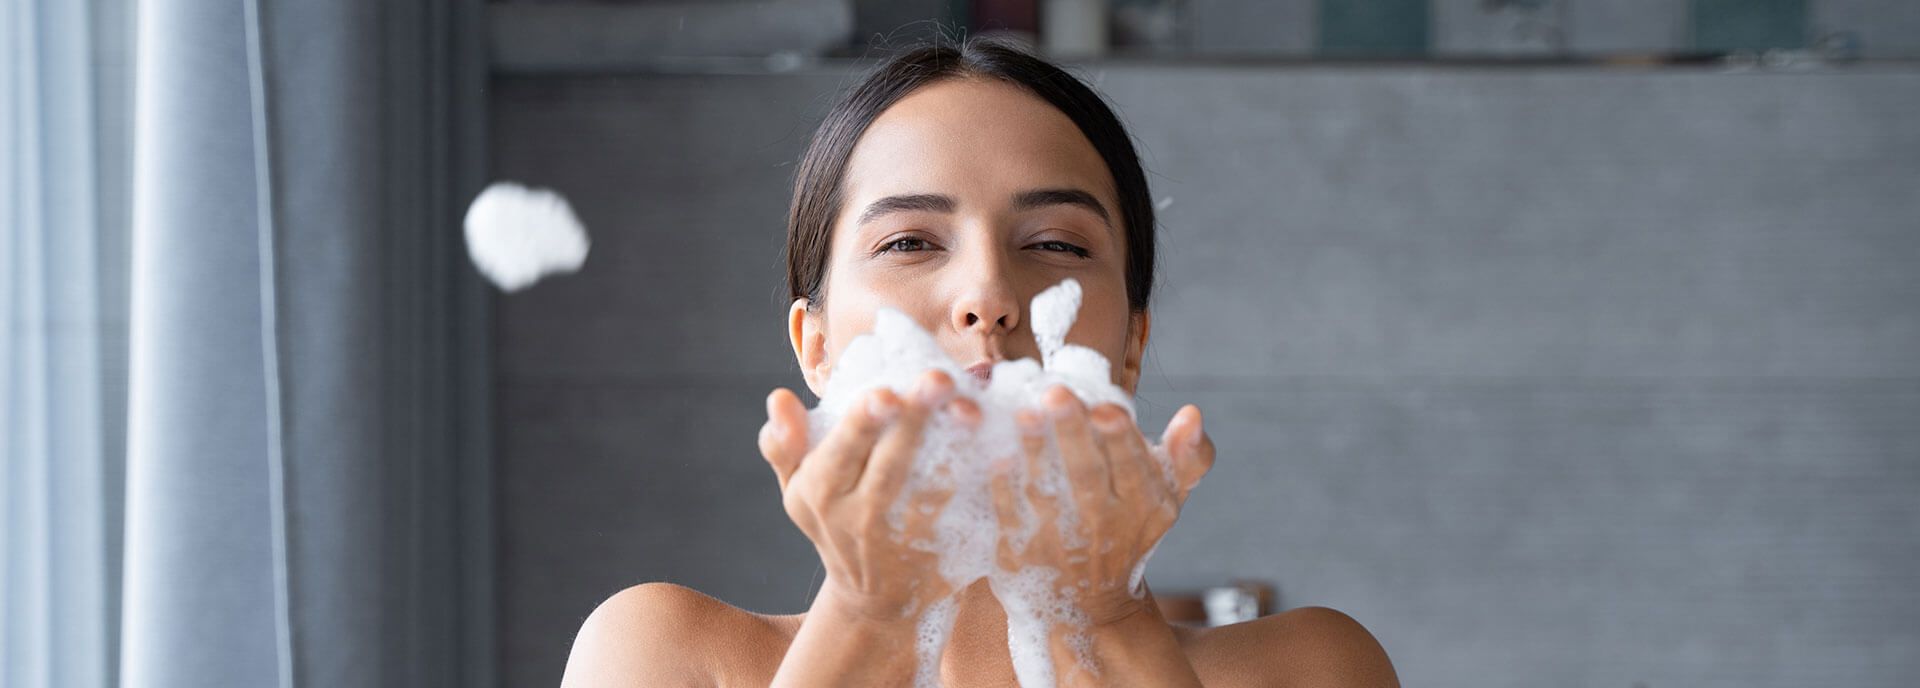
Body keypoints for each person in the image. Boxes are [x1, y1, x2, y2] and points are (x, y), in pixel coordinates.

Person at [560, 36, 1400, 687]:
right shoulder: (662, 656)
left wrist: (1104, 621)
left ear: (1132, 343)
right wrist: (865, 617)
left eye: (1056, 243)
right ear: (814, 345)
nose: (988, 293)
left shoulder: (1309, 669)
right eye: (910, 241)